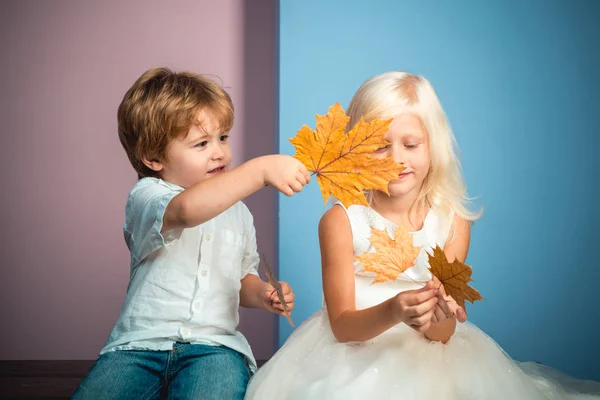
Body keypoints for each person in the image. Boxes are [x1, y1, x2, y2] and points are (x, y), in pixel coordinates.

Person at [245, 71, 600, 399]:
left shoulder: (451, 223)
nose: (396, 159)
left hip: (431, 358)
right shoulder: (341, 222)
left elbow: (442, 335)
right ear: (354, 148)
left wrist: (441, 315)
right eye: (379, 146)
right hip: (350, 354)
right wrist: (394, 310)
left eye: (410, 144)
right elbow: (341, 327)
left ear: (433, 146)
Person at [73, 67, 309, 400]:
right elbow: (186, 210)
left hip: (214, 349)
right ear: (153, 157)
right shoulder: (147, 196)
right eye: (201, 143)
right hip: (138, 346)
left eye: (223, 138)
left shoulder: (239, 212)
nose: (219, 152)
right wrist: (259, 170)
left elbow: (239, 281)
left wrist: (264, 294)